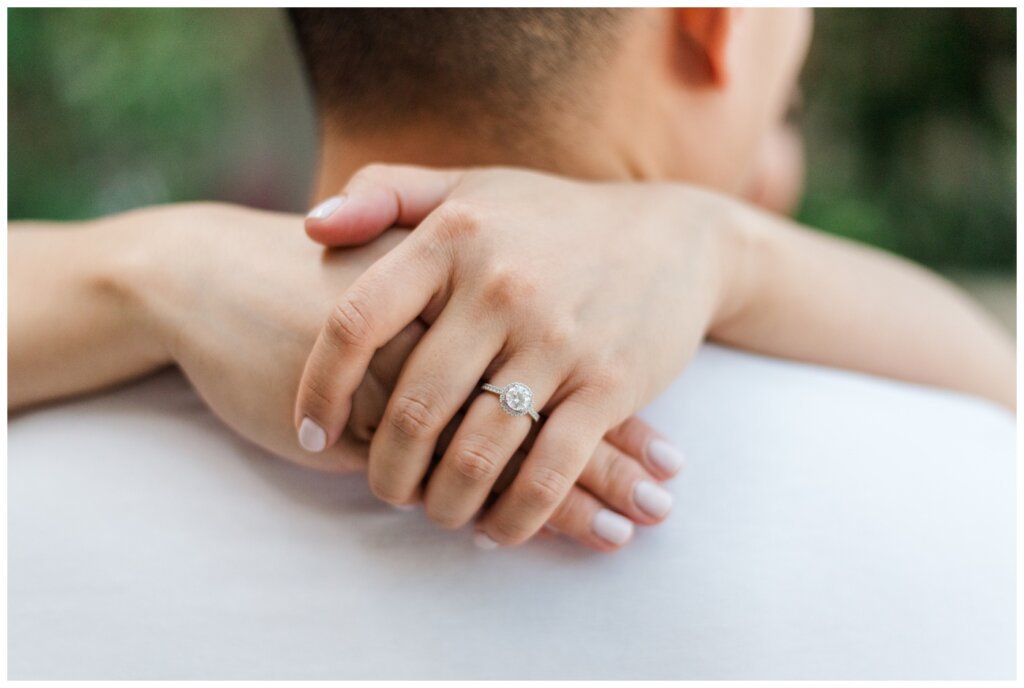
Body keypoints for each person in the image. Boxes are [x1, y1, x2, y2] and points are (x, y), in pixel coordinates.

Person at [7, 9, 1015, 677]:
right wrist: (722, 242)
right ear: (714, 26)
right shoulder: (978, 498)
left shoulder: (32, 470)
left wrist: (152, 263)